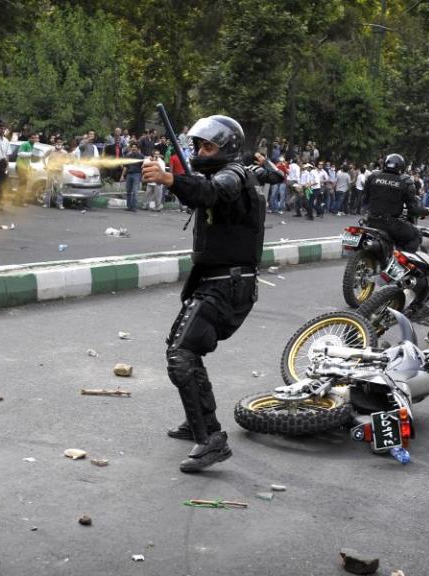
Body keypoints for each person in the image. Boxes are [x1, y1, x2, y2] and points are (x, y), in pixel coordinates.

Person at [141, 115, 283, 473]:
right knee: (184, 350)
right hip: (214, 281)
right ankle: (198, 423)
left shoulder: (234, 175)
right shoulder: (219, 174)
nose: (201, 152)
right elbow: (203, 191)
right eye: (198, 146)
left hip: (228, 285)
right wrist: (182, 181)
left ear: (228, 148)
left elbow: (214, 192)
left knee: (182, 355)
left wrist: (170, 179)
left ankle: (212, 439)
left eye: (208, 146)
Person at [361, 153, 428, 252]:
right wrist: (424, 211)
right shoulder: (405, 181)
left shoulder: (372, 177)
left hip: (370, 221)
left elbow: (365, 199)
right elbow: (413, 208)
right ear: (402, 167)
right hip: (390, 223)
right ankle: (400, 262)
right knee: (415, 235)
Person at [121, 143, 145, 211]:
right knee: (128, 191)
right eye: (132, 147)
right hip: (129, 175)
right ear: (130, 148)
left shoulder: (141, 156)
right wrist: (122, 176)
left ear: (137, 148)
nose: (134, 148)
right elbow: (125, 167)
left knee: (135, 192)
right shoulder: (128, 156)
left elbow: (143, 167)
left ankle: (134, 207)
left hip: (137, 175)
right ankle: (129, 207)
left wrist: (143, 176)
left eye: (135, 147)